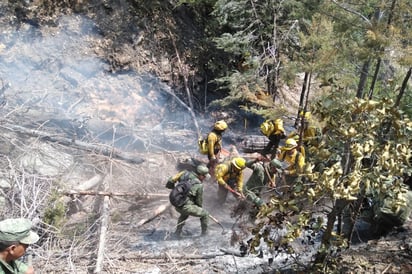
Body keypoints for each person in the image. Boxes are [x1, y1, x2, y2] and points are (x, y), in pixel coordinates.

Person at [167, 165, 210, 238]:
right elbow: (199, 201)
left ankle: (177, 233)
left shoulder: (184, 173)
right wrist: (199, 209)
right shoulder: (199, 185)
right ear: (200, 175)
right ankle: (204, 235)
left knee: (184, 214)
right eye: (204, 176)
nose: (205, 178)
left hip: (177, 203)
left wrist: (173, 189)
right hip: (184, 206)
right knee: (205, 214)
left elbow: (171, 180)